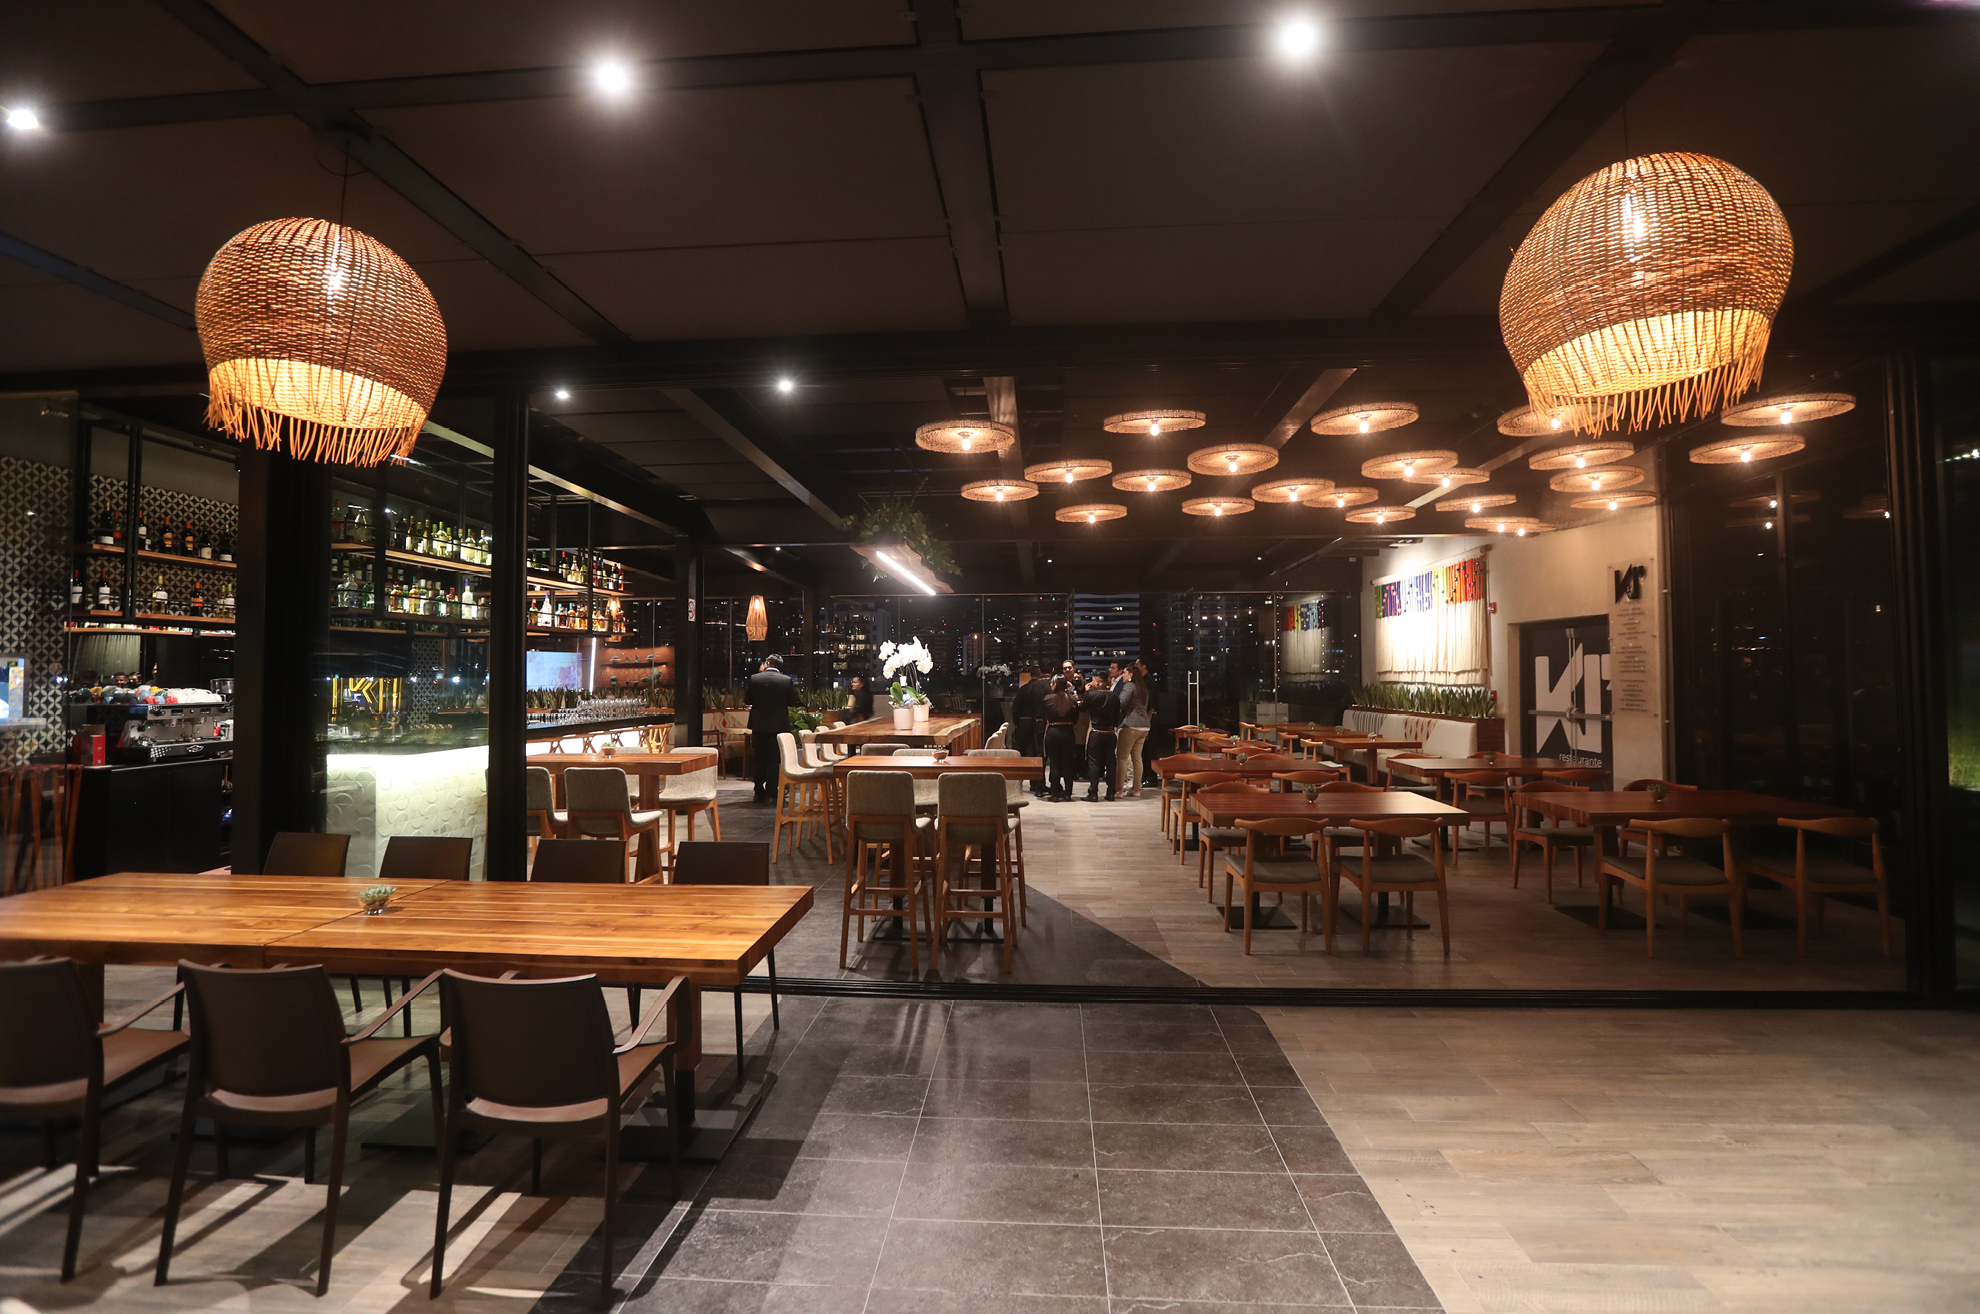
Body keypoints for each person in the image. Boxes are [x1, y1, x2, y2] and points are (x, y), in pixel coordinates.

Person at [745, 654, 797, 804]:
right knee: (774, 759)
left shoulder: (755, 679)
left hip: (758, 725)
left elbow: (748, 700)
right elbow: (793, 701)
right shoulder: (786, 680)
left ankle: (758, 791)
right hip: (778, 726)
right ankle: (772, 793)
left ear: (768, 664)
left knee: (759, 757)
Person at [1081, 670, 1121, 802]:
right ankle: (1111, 792)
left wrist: (1086, 692)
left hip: (1097, 732)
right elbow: (1118, 717)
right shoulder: (1114, 697)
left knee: (1094, 763)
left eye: (1093, 681)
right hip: (1110, 733)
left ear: (1098, 682)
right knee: (1111, 763)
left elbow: (1081, 708)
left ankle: (1093, 792)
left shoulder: (1092, 695)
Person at [1010, 668, 1049, 794]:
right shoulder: (1041, 689)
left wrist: (1018, 723)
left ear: (1030, 675)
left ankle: (1017, 784)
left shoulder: (1023, 689)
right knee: (1036, 755)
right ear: (1040, 674)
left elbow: (1015, 709)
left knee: (1021, 755)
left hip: (1023, 723)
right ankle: (1037, 784)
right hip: (1035, 723)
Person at [1115, 661, 1151, 798]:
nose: (1122, 675)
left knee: (1122, 757)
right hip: (1144, 725)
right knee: (1137, 758)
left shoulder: (1129, 686)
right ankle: (1136, 788)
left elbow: (1121, 703)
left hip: (1131, 725)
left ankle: (1118, 789)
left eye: (1124, 673)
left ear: (1131, 675)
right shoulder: (1143, 688)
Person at [1042, 674, 1079, 801]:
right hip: (1068, 731)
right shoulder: (1072, 699)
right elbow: (1076, 719)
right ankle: (1068, 793)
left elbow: (1044, 715)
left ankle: (1055, 794)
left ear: (1055, 684)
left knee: (1054, 763)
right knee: (1068, 763)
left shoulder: (1048, 699)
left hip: (1053, 731)